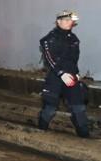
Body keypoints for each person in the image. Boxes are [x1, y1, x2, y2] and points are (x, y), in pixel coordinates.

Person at [38, 10, 89, 138]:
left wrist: (76, 73)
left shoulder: (73, 39)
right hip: (55, 77)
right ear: (58, 22)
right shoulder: (49, 39)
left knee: (79, 108)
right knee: (50, 108)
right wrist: (61, 74)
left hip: (71, 77)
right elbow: (50, 59)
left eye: (71, 20)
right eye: (66, 20)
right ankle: (39, 132)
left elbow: (73, 59)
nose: (69, 23)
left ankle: (84, 136)